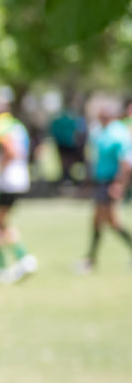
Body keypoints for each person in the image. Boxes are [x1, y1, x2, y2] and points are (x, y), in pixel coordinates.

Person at [0, 102, 37, 285]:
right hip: (17, 179)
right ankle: (21, 260)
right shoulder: (15, 124)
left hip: (5, 181)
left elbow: (12, 151)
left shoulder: (0, 124)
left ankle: (5, 266)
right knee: (1, 223)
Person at [78, 98, 132, 273]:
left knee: (110, 222)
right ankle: (90, 260)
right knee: (100, 221)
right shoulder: (100, 131)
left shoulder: (118, 133)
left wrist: (119, 185)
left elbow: (126, 163)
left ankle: (90, 260)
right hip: (101, 181)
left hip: (111, 182)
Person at [49, 103, 88, 186]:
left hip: (64, 144)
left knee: (66, 162)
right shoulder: (73, 119)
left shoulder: (59, 120)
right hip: (69, 144)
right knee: (69, 162)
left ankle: (67, 177)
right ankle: (67, 178)